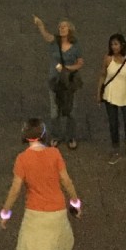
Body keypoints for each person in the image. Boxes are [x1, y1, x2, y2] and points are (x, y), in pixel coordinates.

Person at [0, 118, 82, 250]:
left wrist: (5, 213)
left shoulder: (22, 159)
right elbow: (66, 181)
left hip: (35, 213)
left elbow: (15, 190)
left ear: (26, 137)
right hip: (57, 210)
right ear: (44, 135)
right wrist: (76, 202)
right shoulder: (54, 154)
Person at [32, 16, 83, 150]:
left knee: (71, 111)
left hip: (69, 82)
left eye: (64, 26)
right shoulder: (55, 41)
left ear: (70, 29)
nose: (61, 28)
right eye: (60, 27)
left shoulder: (76, 45)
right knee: (55, 112)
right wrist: (40, 25)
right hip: (55, 81)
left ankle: (71, 136)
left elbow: (80, 63)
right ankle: (55, 136)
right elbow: (47, 36)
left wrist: (68, 68)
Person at [96, 33, 126, 164]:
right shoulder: (108, 59)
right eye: (112, 44)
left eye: (116, 44)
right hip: (111, 94)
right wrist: (98, 93)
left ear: (122, 45)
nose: (114, 47)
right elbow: (103, 75)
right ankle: (115, 148)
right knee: (113, 123)